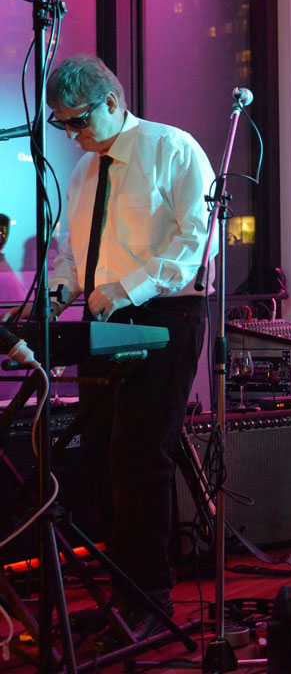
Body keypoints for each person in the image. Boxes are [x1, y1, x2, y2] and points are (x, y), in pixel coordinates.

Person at [17, 55, 214, 639]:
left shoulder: (172, 148)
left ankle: (150, 600)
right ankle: (122, 594)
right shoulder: (84, 170)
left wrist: (125, 289)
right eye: (61, 125)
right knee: (100, 452)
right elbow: (73, 255)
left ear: (111, 101)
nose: (70, 134)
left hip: (163, 315)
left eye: (76, 121)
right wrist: (56, 295)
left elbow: (196, 242)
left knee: (139, 454)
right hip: (103, 319)